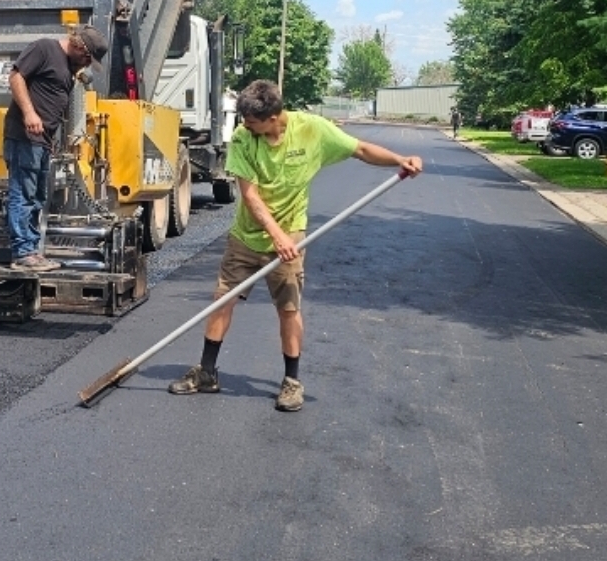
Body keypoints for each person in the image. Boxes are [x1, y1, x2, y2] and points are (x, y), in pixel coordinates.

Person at [168, 79, 423, 411]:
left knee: (288, 309)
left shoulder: (312, 130)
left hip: (291, 235)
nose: (245, 126)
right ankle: (207, 373)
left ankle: (291, 382)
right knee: (222, 301)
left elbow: (359, 149)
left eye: (252, 121)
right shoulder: (245, 138)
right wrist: (276, 235)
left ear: (273, 117)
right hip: (247, 236)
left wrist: (400, 159)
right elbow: (250, 195)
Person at [3, 23, 108, 271]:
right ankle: (22, 253)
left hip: (42, 141)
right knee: (23, 194)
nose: (85, 64)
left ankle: (31, 251)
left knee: (38, 196)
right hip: (24, 137)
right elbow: (16, 76)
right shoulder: (44, 48)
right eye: (86, 58)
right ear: (78, 45)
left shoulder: (68, 67)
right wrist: (29, 114)